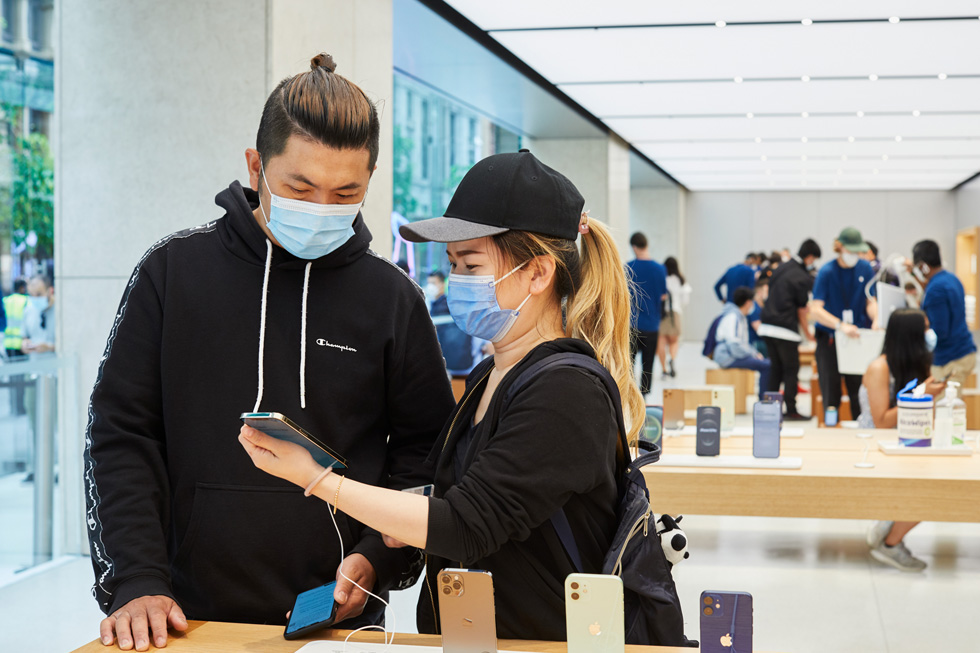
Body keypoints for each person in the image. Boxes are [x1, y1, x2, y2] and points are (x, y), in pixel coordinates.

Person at [85, 54, 455, 650]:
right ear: (256, 166)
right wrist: (135, 579)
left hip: (336, 623)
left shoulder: (392, 299)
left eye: (346, 193)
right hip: (179, 618)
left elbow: (425, 459)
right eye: (300, 188)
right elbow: (120, 436)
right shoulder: (171, 273)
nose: (322, 209)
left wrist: (374, 560)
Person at [239, 150, 647, 641]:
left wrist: (315, 478)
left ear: (539, 273)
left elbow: (465, 525)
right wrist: (383, 545)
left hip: (546, 641)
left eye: (472, 265)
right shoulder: (487, 376)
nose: (457, 281)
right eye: (453, 264)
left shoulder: (566, 391)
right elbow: (452, 496)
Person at [860, 309, 945, 571]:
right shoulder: (879, 368)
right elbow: (882, 420)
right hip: (873, 446)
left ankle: (889, 526)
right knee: (934, 492)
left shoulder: (918, 365)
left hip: (908, 442)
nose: (929, 335)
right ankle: (891, 542)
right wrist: (922, 394)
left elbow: (924, 419)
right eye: (924, 329)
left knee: (943, 485)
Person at [808, 227, 878, 422]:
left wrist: (877, 319)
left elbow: (870, 300)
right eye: (851, 251)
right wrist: (839, 325)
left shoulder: (864, 268)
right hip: (830, 339)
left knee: (858, 390)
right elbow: (815, 309)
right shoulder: (827, 272)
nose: (854, 255)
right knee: (831, 391)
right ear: (840, 248)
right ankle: (831, 430)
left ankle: (860, 427)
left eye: (857, 251)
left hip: (857, 338)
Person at [759, 239, 821, 420]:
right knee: (791, 369)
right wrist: (809, 334)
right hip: (785, 329)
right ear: (810, 257)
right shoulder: (801, 276)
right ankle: (791, 410)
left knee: (775, 369)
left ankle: (769, 409)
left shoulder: (781, 267)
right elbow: (802, 310)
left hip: (767, 325)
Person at [911, 240, 977, 387]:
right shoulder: (951, 279)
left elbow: (940, 331)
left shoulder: (935, 290)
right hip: (963, 351)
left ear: (924, 266)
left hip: (950, 358)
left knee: (943, 405)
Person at [711, 287, 771, 399]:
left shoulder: (739, 316)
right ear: (748, 302)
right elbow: (734, 345)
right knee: (767, 366)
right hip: (728, 357)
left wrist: (754, 354)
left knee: (767, 362)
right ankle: (763, 401)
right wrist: (752, 355)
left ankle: (764, 398)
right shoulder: (733, 317)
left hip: (733, 354)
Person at [627, 232, 667, 395]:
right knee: (648, 364)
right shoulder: (660, 269)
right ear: (646, 245)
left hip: (632, 325)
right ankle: (643, 399)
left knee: (629, 363)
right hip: (652, 325)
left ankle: (629, 395)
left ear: (634, 247)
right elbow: (663, 296)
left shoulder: (628, 267)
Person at [427, 270, 486, 376]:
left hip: (450, 367)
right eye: (429, 283)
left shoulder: (442, 306)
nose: (430, 287)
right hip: (467, 366)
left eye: (433, 283)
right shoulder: (436, 305)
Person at [658, 256, 691, 379]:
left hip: (662, 313)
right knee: (674, 341)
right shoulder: (681, 280)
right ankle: (672, 359)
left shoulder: (662, 278)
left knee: (661, 341)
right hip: (675, 313)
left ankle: (664, 370)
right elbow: (685, 300)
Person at [21, 275, 56, 356]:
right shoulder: (28, 310)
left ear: (50, 291)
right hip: (34, 365)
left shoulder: (61, 311)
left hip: (57, 366)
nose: (35, 298)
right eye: (31, 295)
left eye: (39, 294)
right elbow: (24, 337)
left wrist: (50, 348)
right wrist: (25, 344)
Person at [3, 278, 29, 359]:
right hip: (21, 343)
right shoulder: (26, 301)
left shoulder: (6, 300)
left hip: (7, 343)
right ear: (22, 288)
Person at [747, 277, 768, 356]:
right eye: (767, 291)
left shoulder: (761, 307)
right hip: (757, 344)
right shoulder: (754, 307)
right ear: (759, 292)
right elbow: (759, 329)